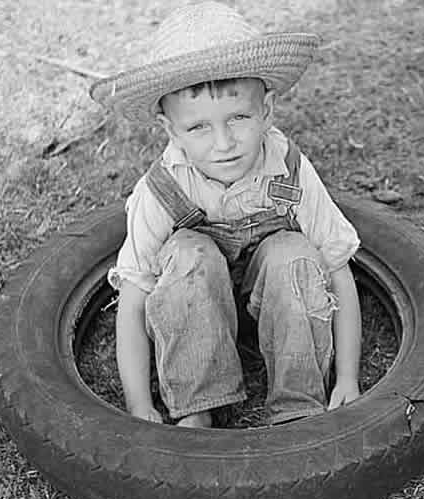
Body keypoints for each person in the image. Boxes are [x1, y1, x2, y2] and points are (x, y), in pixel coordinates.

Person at [90, 1, 362, 428]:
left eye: (238, 117)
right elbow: (135, 294)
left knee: (293, 252)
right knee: (188, 254)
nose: (223, 143)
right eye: (199, 127)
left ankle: (297, 407)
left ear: (267, 110)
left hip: (273, 306)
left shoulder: (289, 170)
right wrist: (138, 405)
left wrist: (348, 377)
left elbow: (338, 269)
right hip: (196, 307)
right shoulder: (161, 189)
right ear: (170, 129)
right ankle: (198, 409)